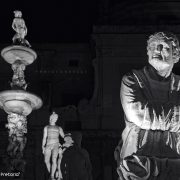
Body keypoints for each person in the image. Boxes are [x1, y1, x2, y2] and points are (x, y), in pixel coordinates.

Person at [116, 32, 180, 180]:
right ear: (148, 52)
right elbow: (138, 115)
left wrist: (151, 114)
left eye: (164, 47)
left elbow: (147, 116)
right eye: (153, 46)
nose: (157, 49)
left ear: (175, 54)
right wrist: (176, 115)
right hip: (139, 163)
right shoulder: (132, 79)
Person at [42, 112, 65, 180]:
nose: (56, 119)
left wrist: (69, 139)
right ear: (51, 118)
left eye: (57, 118)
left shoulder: (58, 128)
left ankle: (52, 176)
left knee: (54, 160)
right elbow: (44, 137)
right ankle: (53, 174)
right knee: (46, 161)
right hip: (48, 145)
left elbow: (64, 136)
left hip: (56, 144)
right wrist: (43, 147)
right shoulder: (46, 127)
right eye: (55, 118)